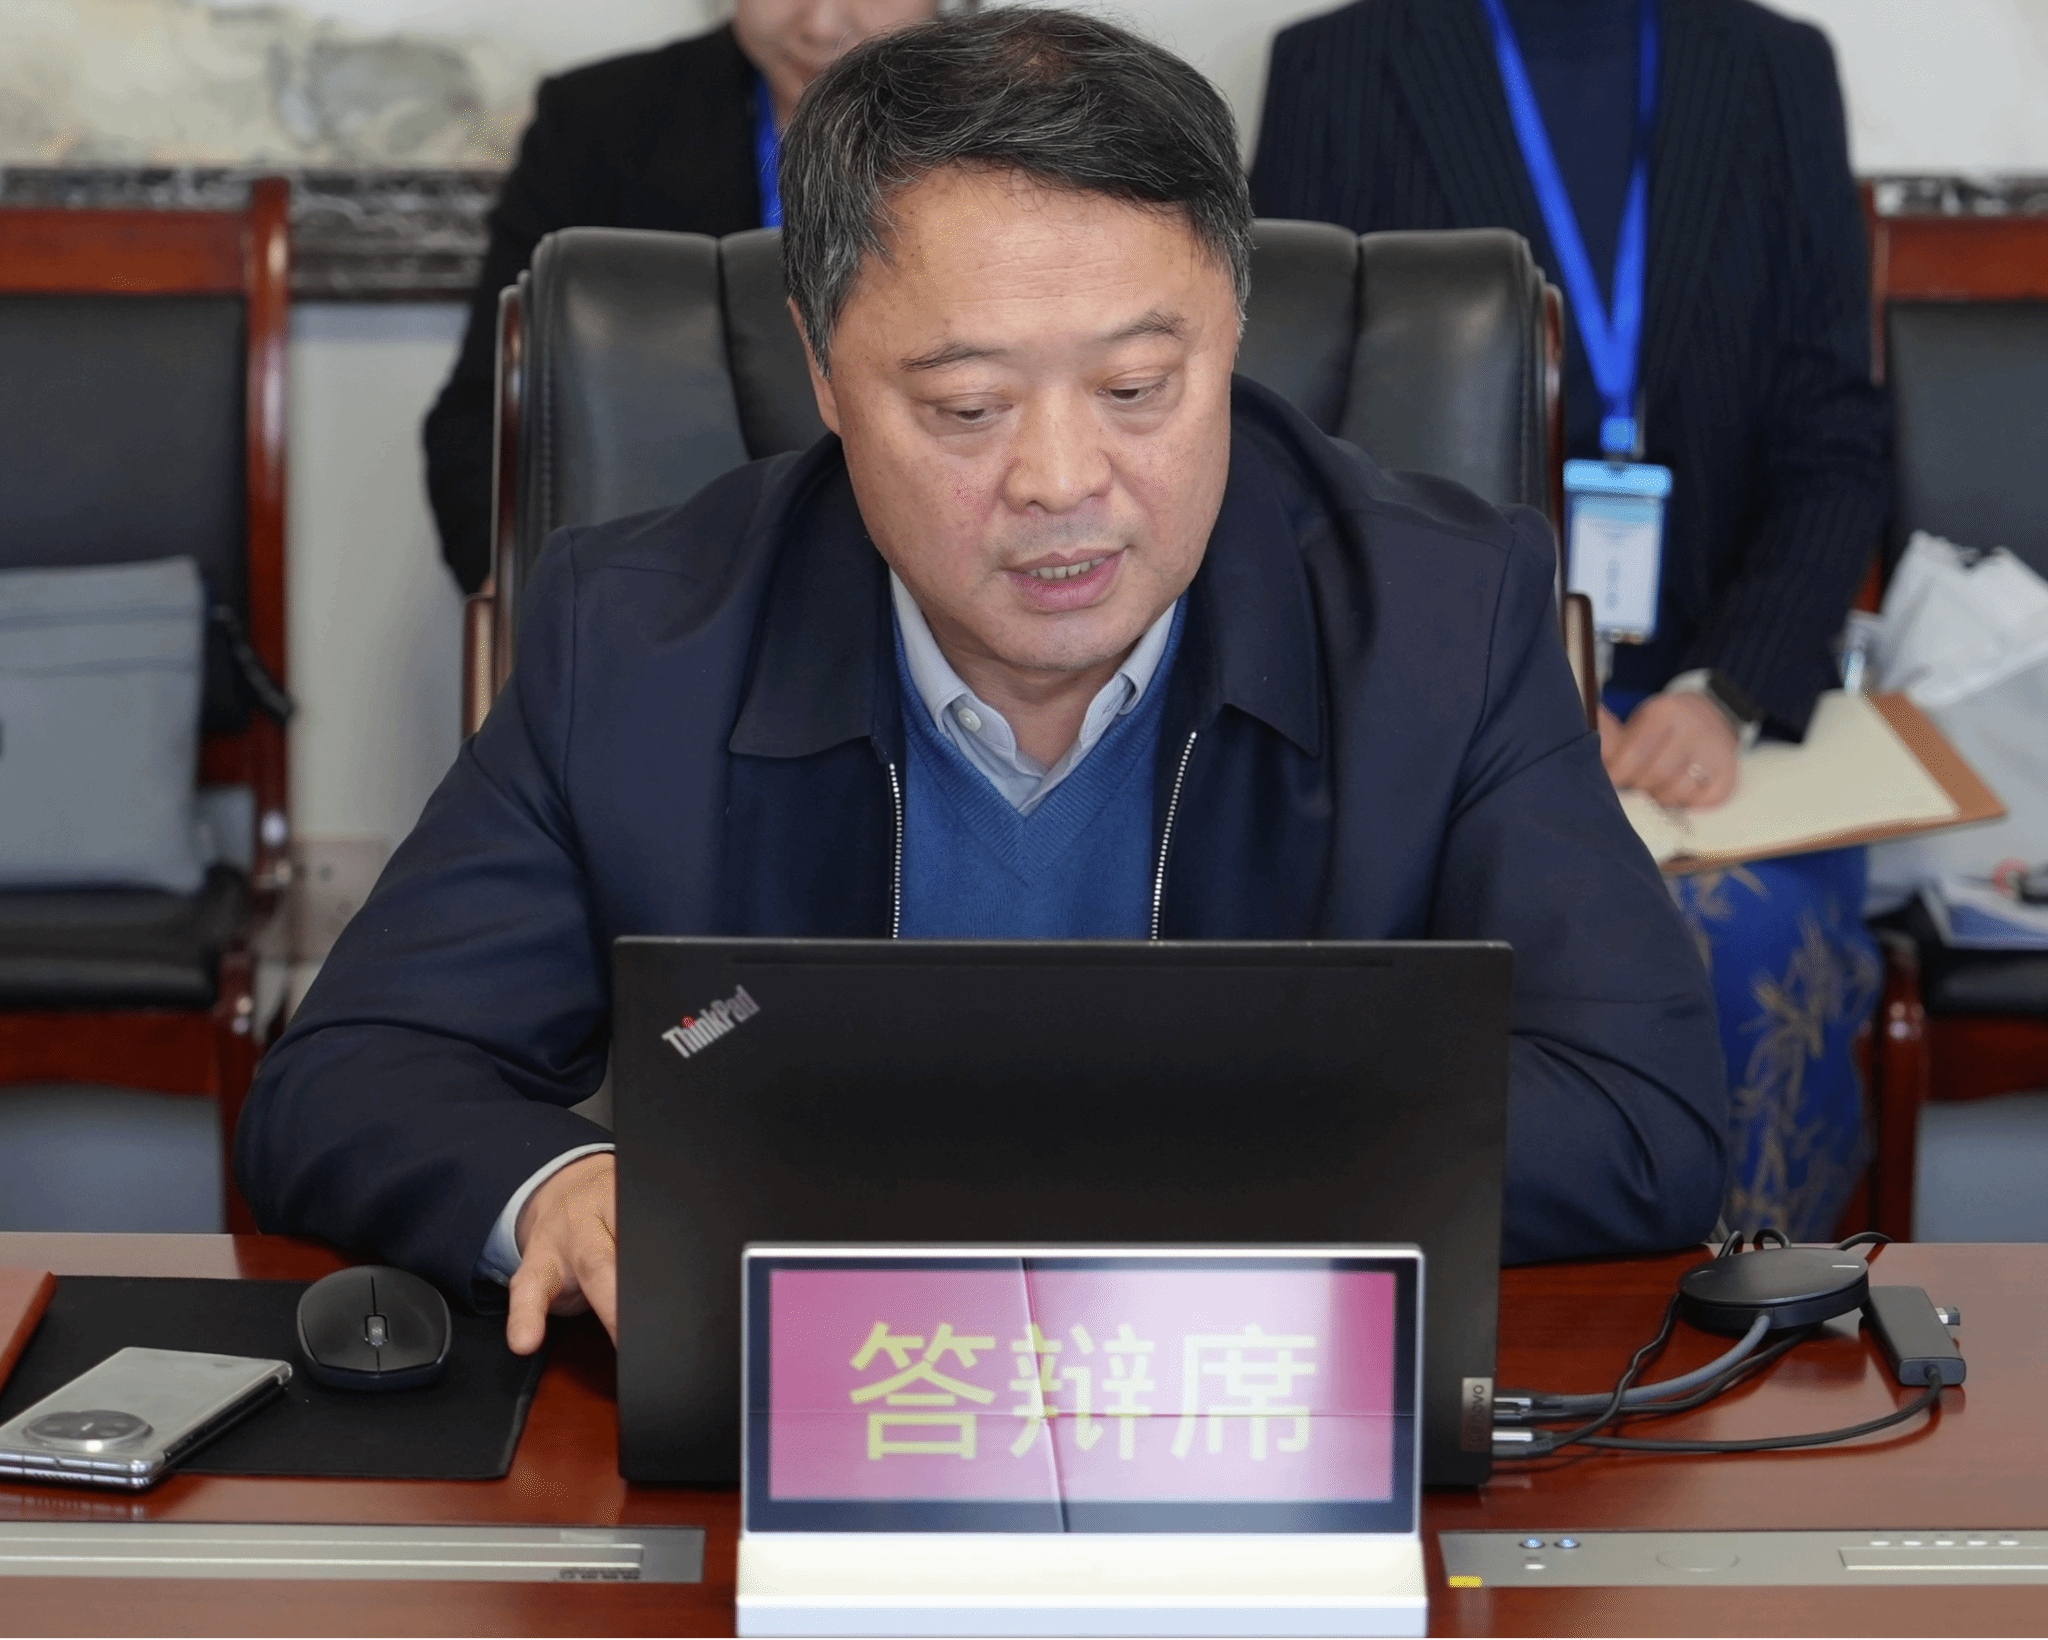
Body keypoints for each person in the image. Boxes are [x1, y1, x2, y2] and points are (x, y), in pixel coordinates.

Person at [241, 9, 1727, 1357]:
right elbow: (348, 1075)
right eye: (966, 406)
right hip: (807, 1416)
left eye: (1138, 389)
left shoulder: (1442, 620)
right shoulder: (631, 640)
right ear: (823, 370)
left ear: (1232, 334)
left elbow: (1642, 1117)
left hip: (1260, 1401)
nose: (1063, 480)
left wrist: (1089, 1171)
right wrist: (561, 1185)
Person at [1252, 0, 1890, 1239]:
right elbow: (1290, 456)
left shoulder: (1773, 69)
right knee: (1488, 981)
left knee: (1746, 945)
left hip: (1713, 705)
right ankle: (1530, 1338)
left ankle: (1750, 1308)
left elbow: (1833, 440)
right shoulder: (1336, 67)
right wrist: (1504, 696)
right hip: (1439, 704)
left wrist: (1727, 690)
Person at [422, 0, 943, 594]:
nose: (821, 25)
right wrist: (526, 604)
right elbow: (485, 411)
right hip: (673, 581)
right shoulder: (601, 119)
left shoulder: (1015, 110)